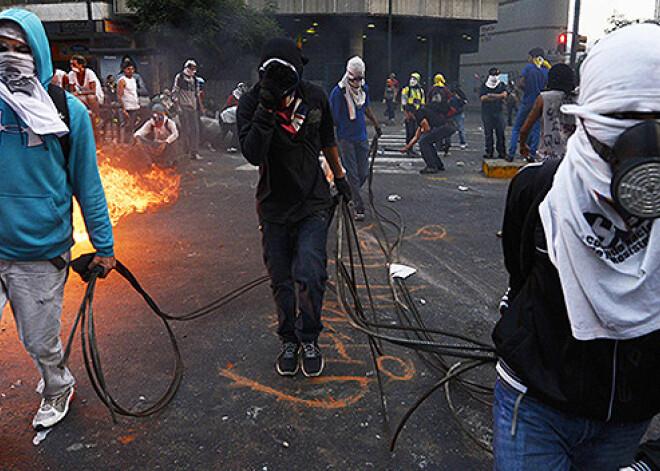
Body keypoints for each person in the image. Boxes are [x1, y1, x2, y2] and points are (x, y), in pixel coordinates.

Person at [493, 23, 660, 471]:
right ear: (585, 116)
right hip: (536, 408)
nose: (644, 142)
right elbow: (521, 273)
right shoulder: (538, 190)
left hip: (626, 416)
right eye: (623, 119)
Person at [0, 9, 115, 430]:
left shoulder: (69, 114)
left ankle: (57, 385)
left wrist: (105, 247)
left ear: (39, 53)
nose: (10, 58)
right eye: (2, 49)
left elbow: (88, 185)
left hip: (40, 252)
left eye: (21, 50)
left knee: (40, 340)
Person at [237, 37, 351, 378]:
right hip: (273, 206)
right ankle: (289, 339)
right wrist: (266, 108)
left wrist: (341, 178)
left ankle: (310, 336)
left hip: (313, 201)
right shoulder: (251, 102)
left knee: (311, 274)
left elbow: (327, 138)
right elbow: (253, 153)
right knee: (282, 281)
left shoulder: (314, 96)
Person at [329, 56, 381, 221]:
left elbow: (365, 107)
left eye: (360, 78)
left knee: (363, 172)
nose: (357, 82)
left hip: (361, 137)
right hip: (346, 139)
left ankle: (351, 194)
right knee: (353, 174)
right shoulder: (338, 93)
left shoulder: (363, 88)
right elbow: (333, 119)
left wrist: (376, 124)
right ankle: (359, 207)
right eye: (355, 78)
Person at [519, 63, 577, 162]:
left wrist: (523, 145)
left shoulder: (544, 98)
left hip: (548, 158)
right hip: (573, 159)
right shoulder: (579, 99)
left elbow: (525, 129)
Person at [507, 47, 549, 158]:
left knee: (517, 127)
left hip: (527, 101)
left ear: (534, 57)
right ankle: (531, 154)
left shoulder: (529, 68)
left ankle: (511, 153)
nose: (528, 59)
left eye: (529, 57)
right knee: (536, 128)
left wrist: (527, 90)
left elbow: (521, 83)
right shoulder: (546, 70)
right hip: (539, 102)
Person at [398, 99, 456, 174]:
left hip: (445, 127)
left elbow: (426, 128)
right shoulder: (419, 114)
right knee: (427, 142)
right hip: (449, 126)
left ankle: (431, 166)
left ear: (409, 112)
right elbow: (417, 135)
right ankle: (438, 165)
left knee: (423, 142)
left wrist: (423, 133)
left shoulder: (418, 114)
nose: (405, 116)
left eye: (405, 113)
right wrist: (407, 147)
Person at [173, 59, 204, 160]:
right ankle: (185, 151)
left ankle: (194, 152)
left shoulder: (194, 80)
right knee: (185, 129)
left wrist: (201, 107)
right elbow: (175, 92)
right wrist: (178, 106)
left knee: (195, 129)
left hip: (193, 107)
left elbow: (197, 94)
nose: (193, 70)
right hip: (183, 107)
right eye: (191, 68)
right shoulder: (180, 77)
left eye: (194, 68)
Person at [480, 67, 508, 160]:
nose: (495, 76)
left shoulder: (501, 85)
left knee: (500, 133)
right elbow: (483, 98)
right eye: (493, 74)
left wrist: (491, 96)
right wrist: (498, 97)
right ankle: (489, 151)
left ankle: (502, 152)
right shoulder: (484, 85)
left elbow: (504, 95)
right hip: (487, 112)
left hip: (498, 111)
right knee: (488, 133)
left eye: (496, 74)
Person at [67, 55, 102, 127]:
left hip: (94, 94)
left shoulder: (89, 73)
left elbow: (93, 91)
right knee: (78, 99)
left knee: (91, 98)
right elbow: (72, 91)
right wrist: (76, 94)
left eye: (74, 65)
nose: (72, 66)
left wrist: (79, 93)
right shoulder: (71, 74)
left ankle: (98, 118)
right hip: (83, 95)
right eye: (71, 64)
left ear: (81, 65)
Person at [116, 59, 141, 143]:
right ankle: (126, 145)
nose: (131, 71)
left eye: (132, 69)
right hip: (127, 107)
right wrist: (123, 109)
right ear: (124, 70)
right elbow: (119, 96)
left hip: (135, 106)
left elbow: (134, 93)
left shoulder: (133, 80)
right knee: (127, 127)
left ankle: (132, 144)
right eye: (128, 69)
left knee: (133, 127)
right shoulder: (122, 80)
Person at [401, 72, 425, 157]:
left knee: (415, 133)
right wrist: (407, 114)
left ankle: (411, 149)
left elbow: (422, 103)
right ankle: (409, 150)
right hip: (409, 114)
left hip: (417, 115)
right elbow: (403, 103)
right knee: (409, 133)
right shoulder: (406, 90)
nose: (412, 80)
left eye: (415, 79)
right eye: (411, 78)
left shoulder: (420, 91)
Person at [449, 82, 468, 149]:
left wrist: (458, 98)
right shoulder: (449, 93)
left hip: (458, 113)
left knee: (460, 128)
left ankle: (463, 142)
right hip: (451, 113)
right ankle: (448, 142)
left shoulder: (460, 93)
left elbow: (464, 102)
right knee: (449, 128)